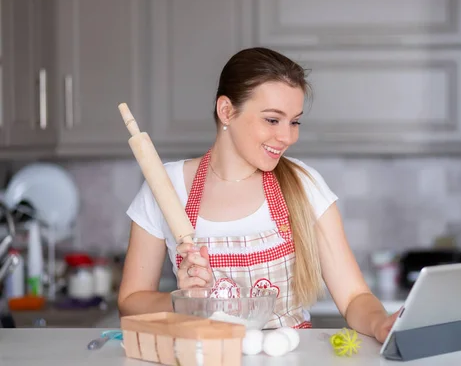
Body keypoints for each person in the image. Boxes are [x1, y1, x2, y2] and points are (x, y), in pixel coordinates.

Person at [117, 47, 400, 343]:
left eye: (295, 121)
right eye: (272, 120)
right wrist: (184, 302)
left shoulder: (305, 185)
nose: (287, 137)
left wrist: (380, 323)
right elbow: (131, 304)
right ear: (226, 111)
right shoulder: (165, 187)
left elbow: (354, 296)